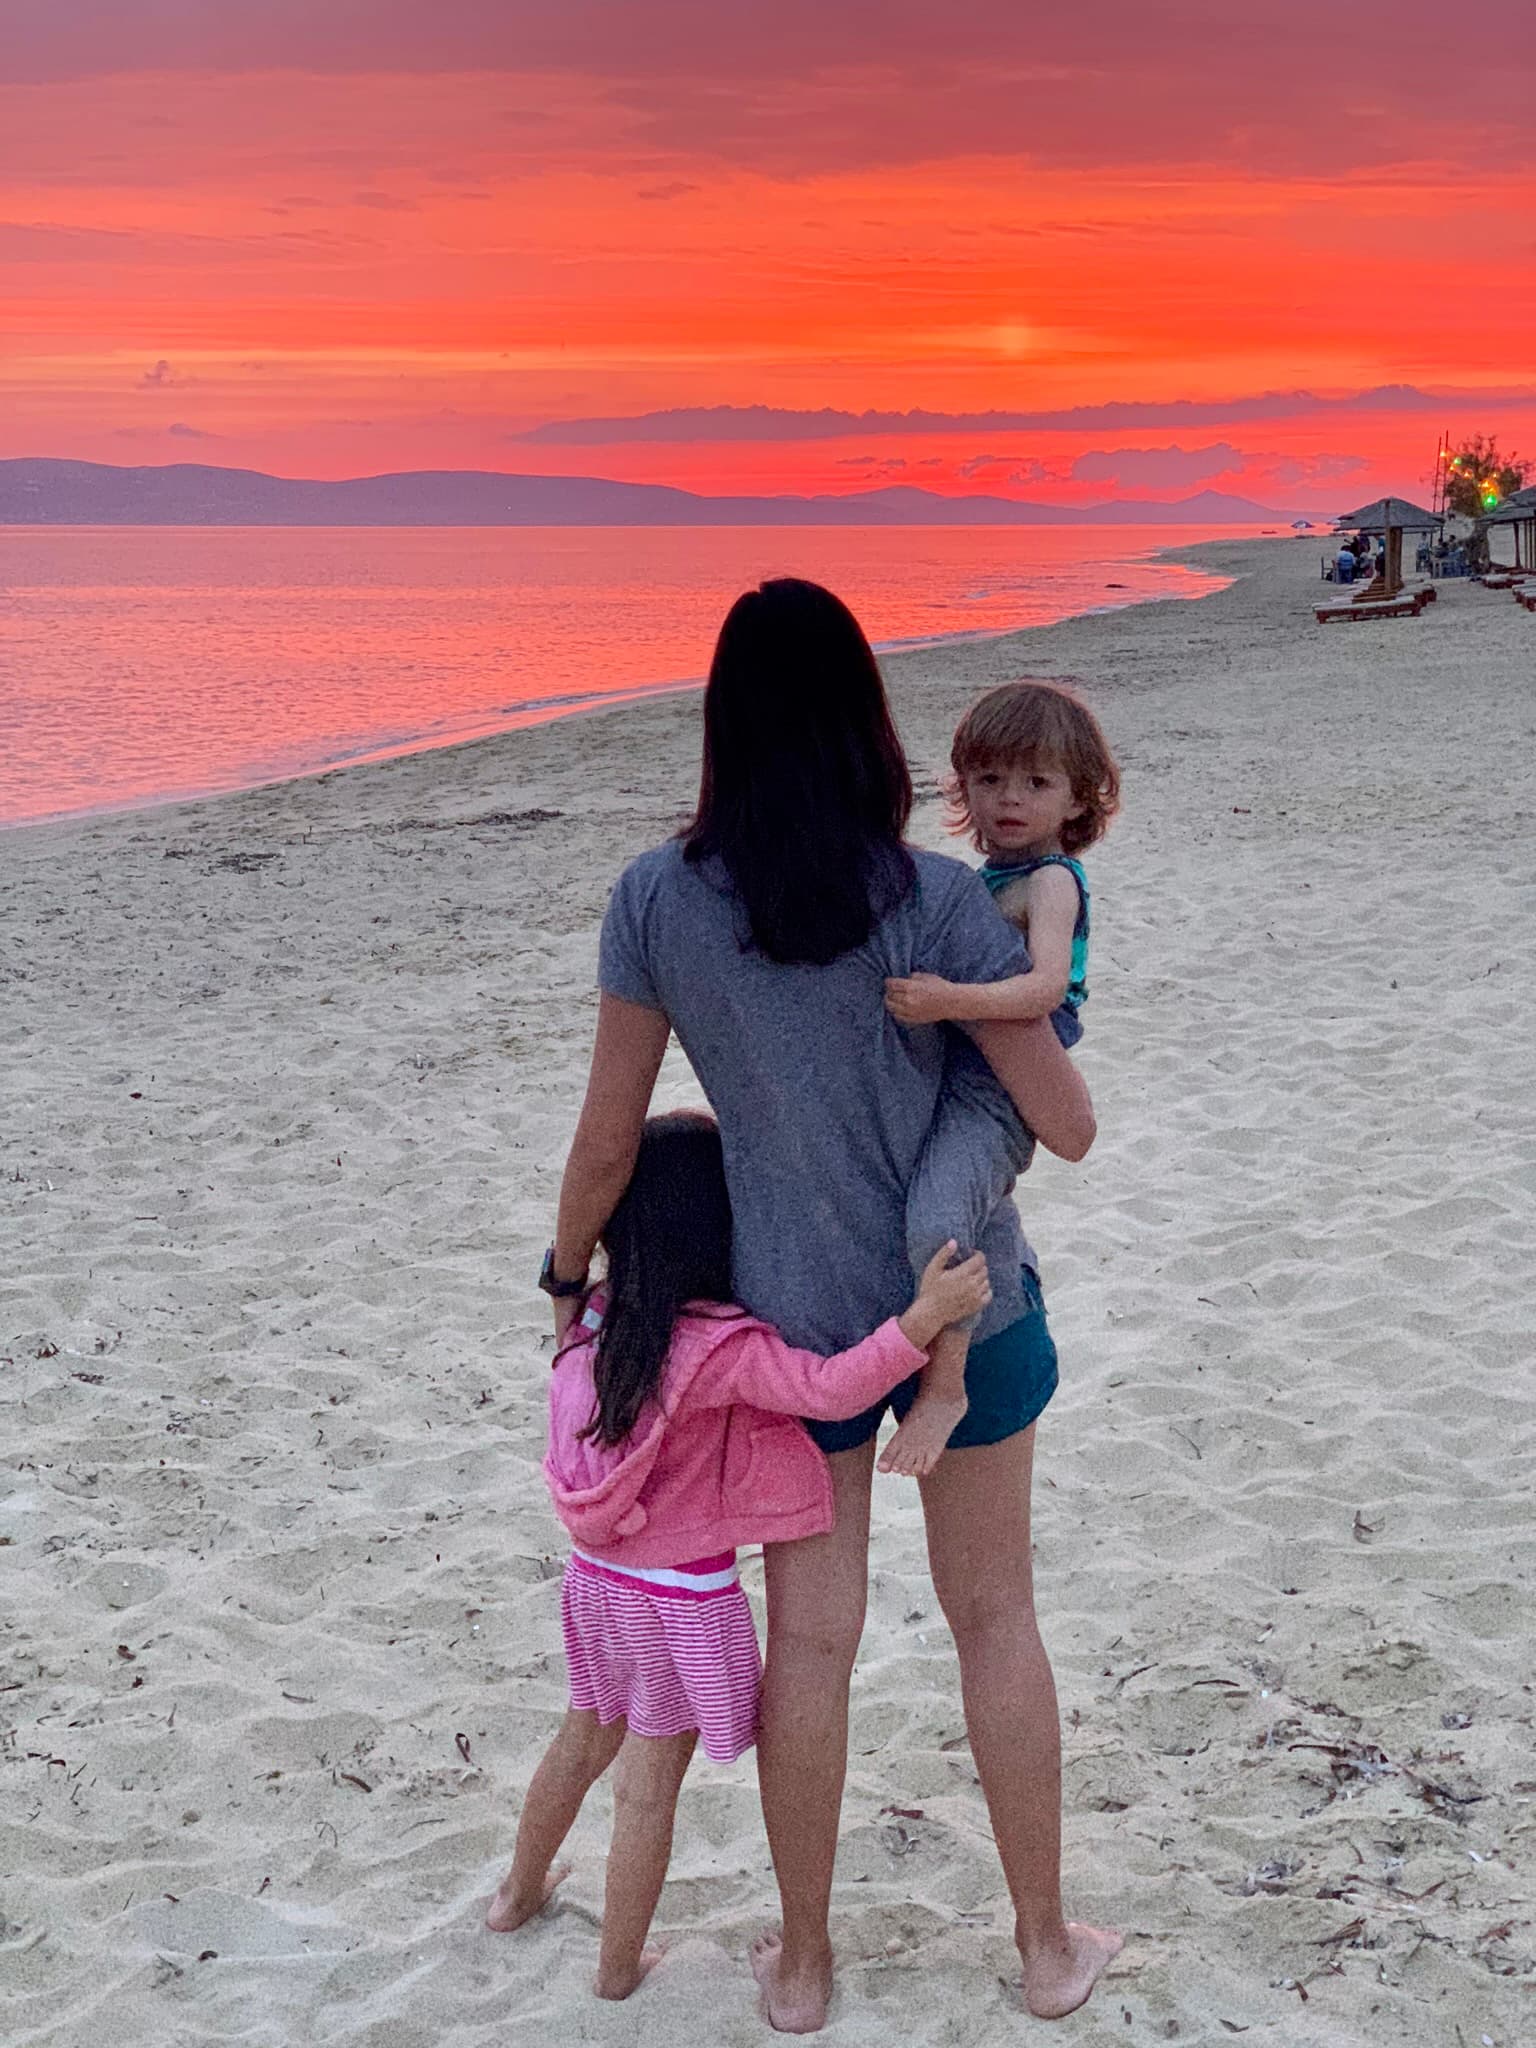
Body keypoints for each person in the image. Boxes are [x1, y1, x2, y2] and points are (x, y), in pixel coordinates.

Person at [544, 578, 1122, 2030]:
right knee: (996, 1619)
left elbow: (609, 1139)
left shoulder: (654, 900)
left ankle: (803, 1967)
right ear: (869, 725)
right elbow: (1062, 1122)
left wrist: (568, 1281)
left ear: (722, 728)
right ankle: (1048, 1951)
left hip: (790, 1333)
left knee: (813, 1642)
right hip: (966, 1304)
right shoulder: (939, 899)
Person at [487, 1110, 991, 2001]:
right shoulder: (721, 1348)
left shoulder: (599, 1323)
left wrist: (561, 1268)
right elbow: (830, 1388)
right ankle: (615, 1971)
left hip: (598, 1585)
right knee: (648, 1789)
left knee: (580, 1738)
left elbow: (564, 1293)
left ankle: (516, 1898)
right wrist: (921, 1322)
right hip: (679, 1604)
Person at [879, 680, 1119, 1477]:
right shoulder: (975, 879)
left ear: (1079, 797)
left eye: (1036, 782)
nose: (1009, 800)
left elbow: (1045, 989)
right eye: (990, 781)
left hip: (1000, 1081)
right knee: (959, 1209)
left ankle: (946, 1384)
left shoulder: (1051, 880)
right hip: (960, 1067)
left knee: (940, 1220)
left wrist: (951, 1000)